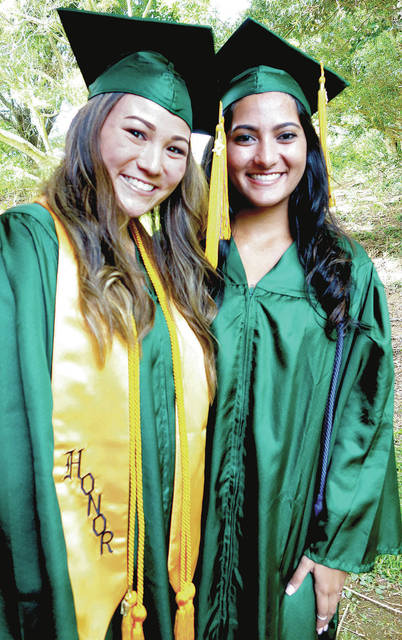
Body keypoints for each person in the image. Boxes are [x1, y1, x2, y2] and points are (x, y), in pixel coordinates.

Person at [0, 8, 220, 640]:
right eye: (135, 133)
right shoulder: (27, 245)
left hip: (153, 562)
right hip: (57, 563)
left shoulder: (162, 262)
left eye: (176, 148)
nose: (154, 163)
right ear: (93, 128)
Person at [196, 18, 401, 640]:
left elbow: (365, 415)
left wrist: (336, 547)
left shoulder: (342, 270)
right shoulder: (180, 259)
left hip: (291, 539)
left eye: (286, 135)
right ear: (220, 149)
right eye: (244, 137)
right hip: (183, 537)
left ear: (309, 146)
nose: (266, 156)